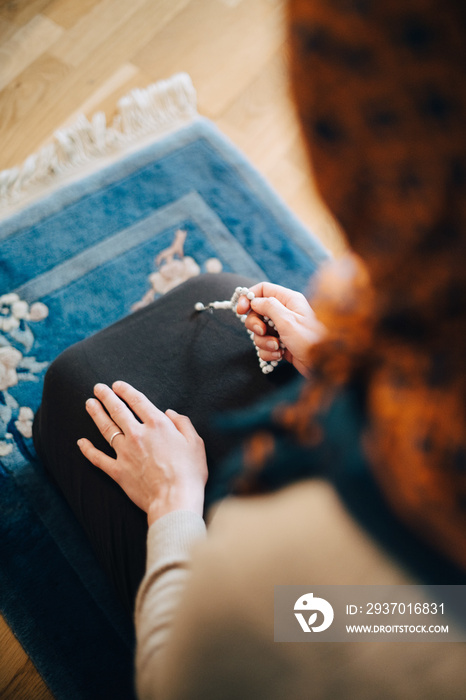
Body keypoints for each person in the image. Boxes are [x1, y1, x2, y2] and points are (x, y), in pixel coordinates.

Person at [33, 0, 466, 698]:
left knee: (77, 388)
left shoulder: (289, 567)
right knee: (221, 289)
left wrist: (175, 505)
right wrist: (332, 359)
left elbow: (175, 682)